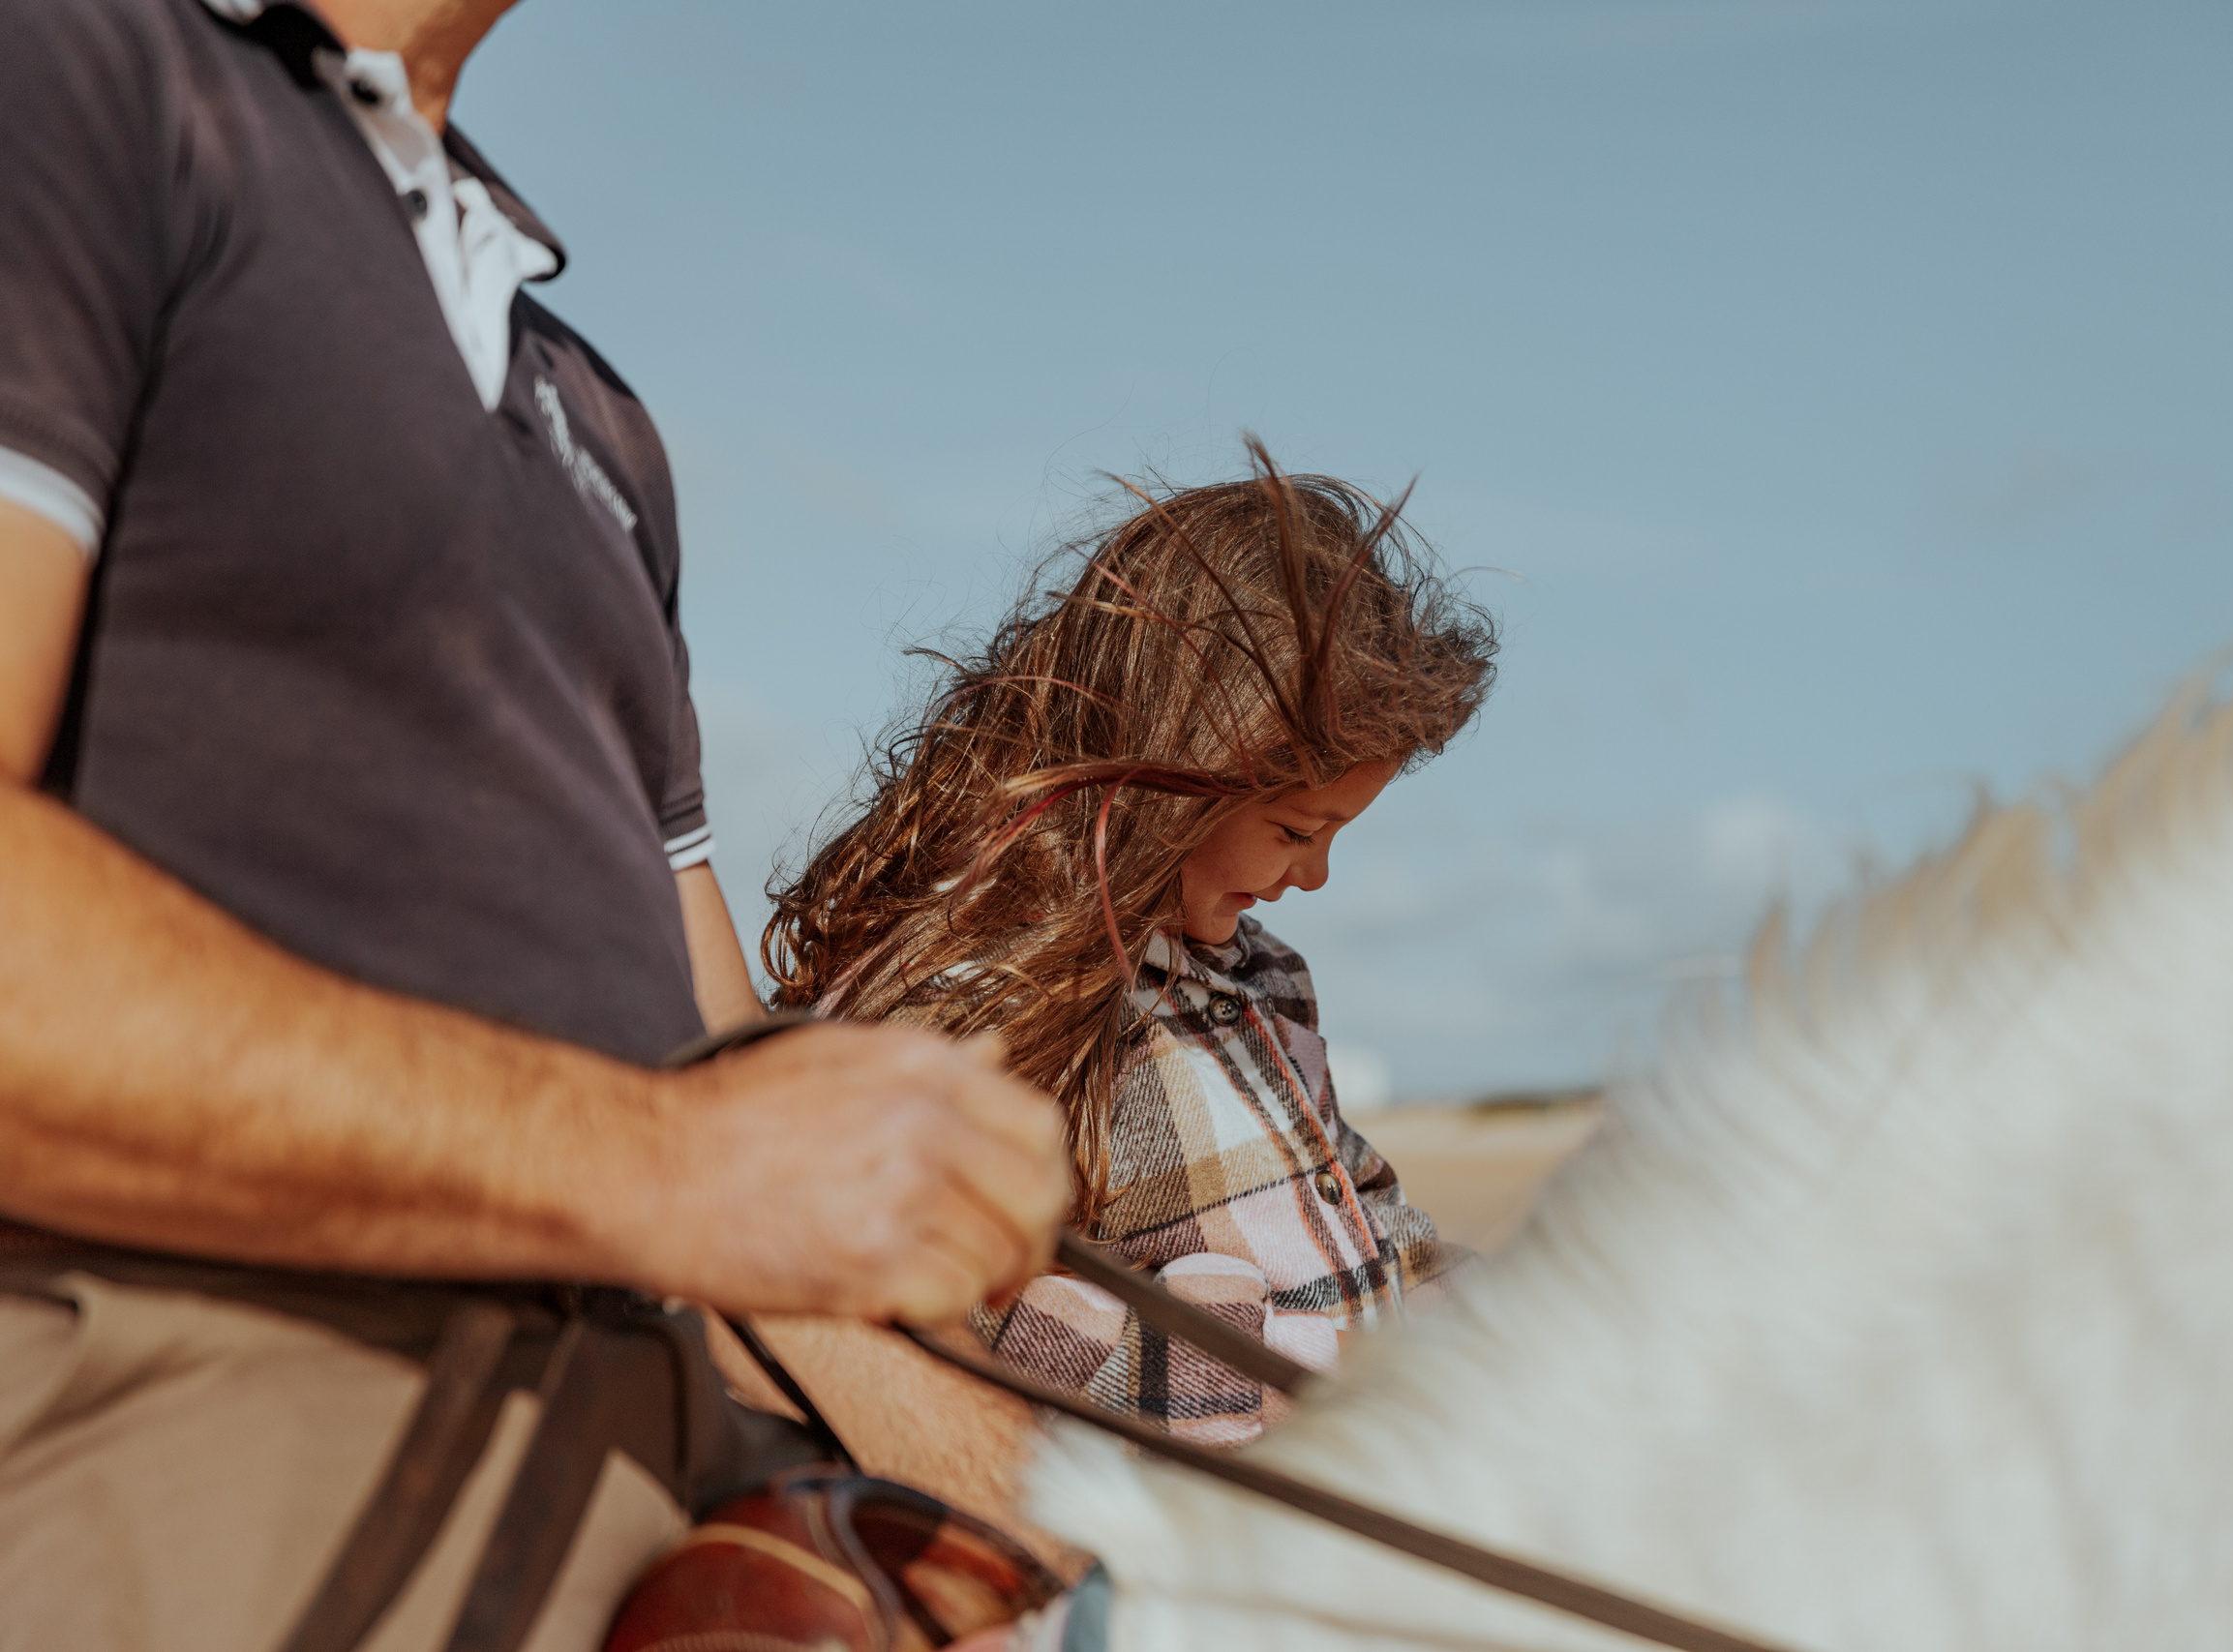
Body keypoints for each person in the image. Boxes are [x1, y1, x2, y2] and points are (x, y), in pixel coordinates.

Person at [0, 2, 1070, 1648]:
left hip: (655, 1442)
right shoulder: (76, 74)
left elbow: (723, 1094)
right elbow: (690, 1156)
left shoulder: (603, 420)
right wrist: (655, 1167)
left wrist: (1074, 1536)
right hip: (194, 1397)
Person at [767, 445, 1498, 1447]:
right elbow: (990, 1321)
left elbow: (1377, 1229)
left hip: (1364, 1465)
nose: (1316, 877)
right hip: (1186, 1518)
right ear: (1175, 775)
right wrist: (1329, 1371)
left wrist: (1526, 1320)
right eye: (1295, 832)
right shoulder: (986, 989)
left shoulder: (1261, 978)